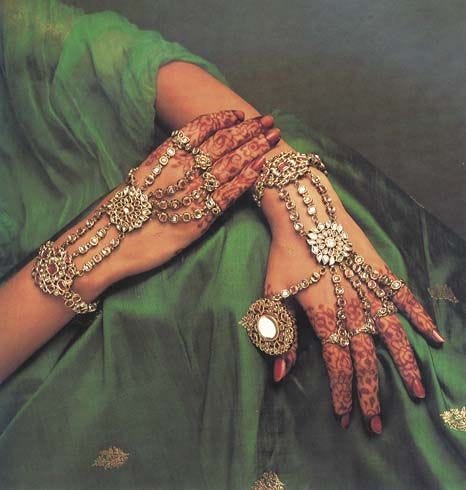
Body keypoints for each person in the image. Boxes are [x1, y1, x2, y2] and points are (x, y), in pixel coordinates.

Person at [0, 1, 465, 489]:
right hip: (61, 354)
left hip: (202, 203)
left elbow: (125, 59)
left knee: (360, 302)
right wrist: (108, 241)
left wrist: (297, 196)